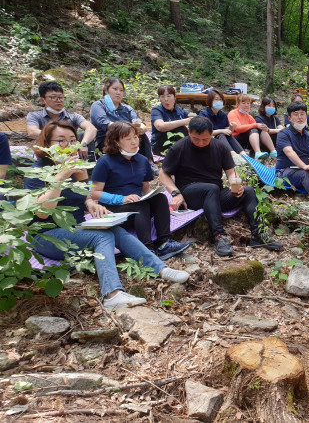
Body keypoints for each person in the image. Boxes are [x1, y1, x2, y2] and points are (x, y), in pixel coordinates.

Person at [25, 120, 190, 311]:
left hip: (75, 227)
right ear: (47, 144)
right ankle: (112, 294)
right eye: (60, 141)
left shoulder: (75, 167)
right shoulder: (37, 172)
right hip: (46, 235)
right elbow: (42, 214)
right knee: (101, 236)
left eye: (72, 141)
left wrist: (91, 204)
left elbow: (86, 194)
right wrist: (61, 176)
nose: (68, 146)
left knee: (116, 230)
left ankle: (161, 268)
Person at [159, 117, 282, 256]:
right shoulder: (179, 147)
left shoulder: (219, 146)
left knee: (248, 191)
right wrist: (175, 193)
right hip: (190, 193)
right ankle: (219, 236)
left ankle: (258, 234)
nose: (200, 143)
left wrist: (235, 183)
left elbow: (231, 171)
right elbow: (163, 174)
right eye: (195, 139)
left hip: (215, 194)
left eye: (205, 139)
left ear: (212, 133)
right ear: (189, 132)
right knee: (211, 188)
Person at [91, 121, 191, 260]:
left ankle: (164, 244)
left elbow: (145, 188)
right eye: (128, 139)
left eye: (135, 137)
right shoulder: (105, 161)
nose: (134, 142)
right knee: (141, 205)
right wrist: (121, 199)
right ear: (116, 142)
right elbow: (94, 193)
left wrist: (154, 198)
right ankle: (147, 249)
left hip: (137, 209)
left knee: (160, 198)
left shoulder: (142, 160)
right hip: (114, 210)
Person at [90, 78, 155, 168]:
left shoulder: (127, 108)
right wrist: (126, 129)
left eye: (121, 90)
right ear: (106, 90)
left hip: (127, 137)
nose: (118, 92)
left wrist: (143, 128)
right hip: (106, 139)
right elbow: (104, 123)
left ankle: (149, 164)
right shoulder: (98, 105)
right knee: (128, 136)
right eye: (115, 89)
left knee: (141, 135)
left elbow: (137, 121)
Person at [26, 81, 97, 160]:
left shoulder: (72, 116)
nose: (58, 100)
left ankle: (88, 166)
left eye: (61, 97)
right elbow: (32, 131)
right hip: (48, 154)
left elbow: (91, 128)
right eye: (53, 97)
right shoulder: (35, 115)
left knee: (84, 134)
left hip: (71, 152)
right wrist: (60, 139)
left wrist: (83, 144)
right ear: (43, 100)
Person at [198, 89, 245, 163]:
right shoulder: (204, 114)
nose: (219, 101)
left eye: (221, 99)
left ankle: (244, 154)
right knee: (221, 135)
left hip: (222, 141)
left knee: (228, 135)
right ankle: (233, 155)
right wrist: (221, 131)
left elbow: (229, 132)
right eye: (216, 99)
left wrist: (232, 127)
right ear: (210, 101)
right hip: (209, 140)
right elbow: (204, 132)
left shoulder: (223, 115)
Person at [228, 94, 275, 160]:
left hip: (248, 140)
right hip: (236, 140)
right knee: (253, 128)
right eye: (243, 103)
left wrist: (264, 128)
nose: (246, 105)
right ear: (238, 104)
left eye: (248, 103)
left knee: (260, 129)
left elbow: (257, 128)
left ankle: (273, 151)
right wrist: (256, 125)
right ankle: (257, 152)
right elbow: (238, 129)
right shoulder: (233, 113)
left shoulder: (249, 116)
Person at [150, 85, 192, 156]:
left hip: (179, 145)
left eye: (169, 96)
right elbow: (160, 126)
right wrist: (185, 121)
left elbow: (193, 119)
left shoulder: (180, 110)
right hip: (161, 146)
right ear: (160, 99)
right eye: (162, 97)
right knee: (180, 129)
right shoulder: (156, 110)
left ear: (175, 97)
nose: (166, 99)